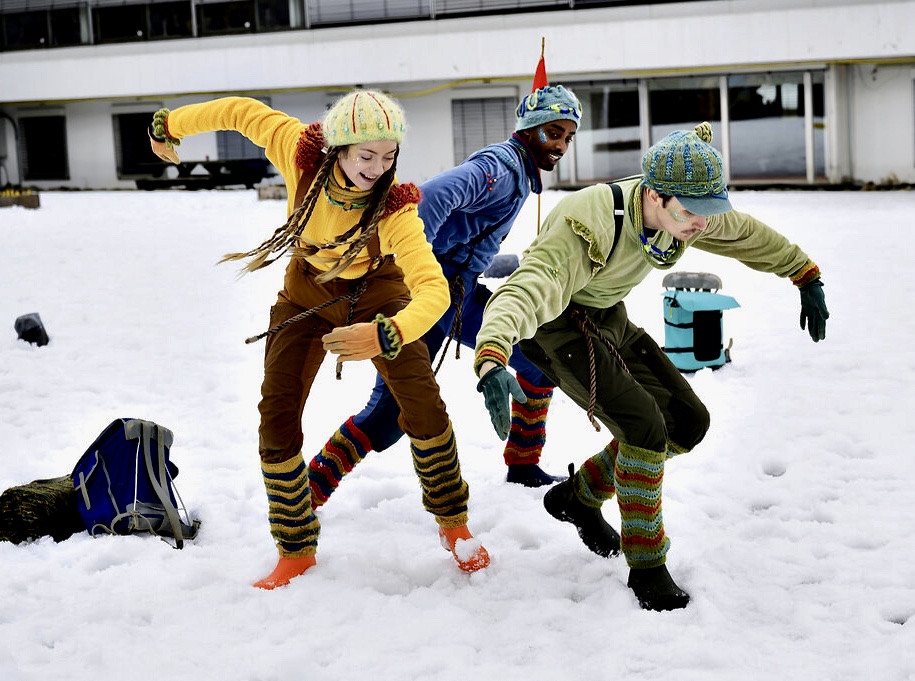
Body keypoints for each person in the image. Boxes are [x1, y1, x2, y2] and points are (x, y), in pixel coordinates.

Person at [472, 122, 830, 611]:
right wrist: (492, 353)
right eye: (691, 212)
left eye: (707, 211)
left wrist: (803, 273)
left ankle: (578, 497)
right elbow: (527, 287)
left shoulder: (685, 210)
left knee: (687, 421)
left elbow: (743, 232)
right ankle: (647, 567)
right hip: (556, 327)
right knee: (643, 427)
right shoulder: (590, 219)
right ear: (655, 195)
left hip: (607, 317)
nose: (701, 224)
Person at [147, 90, 490, 589]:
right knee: (277, 410)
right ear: (339, 148)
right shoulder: (299, 152)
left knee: (420, 398)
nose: (377, 168)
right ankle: (295, 548)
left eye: (388, 155)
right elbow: (241, 113)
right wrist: (170, 125)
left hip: (377, 291)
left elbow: (433, 290)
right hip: (306, 290)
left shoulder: (395, 209)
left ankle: (453, 523)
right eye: (366, 155)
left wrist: (387, 333)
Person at [306, 85, 582, 507]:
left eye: (568, 136)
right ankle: (306, 492)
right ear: (528, 129)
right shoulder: (501, 168)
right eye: (552, 132)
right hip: (428, 296)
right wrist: (417, 262)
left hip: (461, 295)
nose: (560, 145)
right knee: (388, 416)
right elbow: (432, 197)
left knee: (539, 360)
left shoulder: (518, 172)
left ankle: (523, 464)